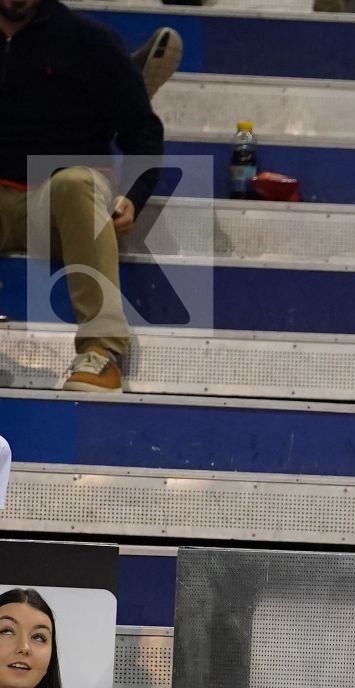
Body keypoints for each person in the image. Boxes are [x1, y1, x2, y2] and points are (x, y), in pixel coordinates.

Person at [0, 0, 168, 393]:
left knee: (76, 182)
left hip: (59, 205)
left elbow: (143, 132)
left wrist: (134, 195)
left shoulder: (88, 41)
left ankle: (103, 352)